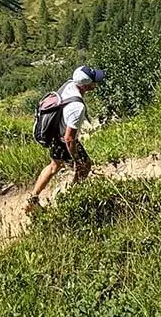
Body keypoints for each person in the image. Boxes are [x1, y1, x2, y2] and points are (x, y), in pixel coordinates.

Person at [26, 65, 105, 213]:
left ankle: (32, 199)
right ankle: (71, 199)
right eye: (94, 81)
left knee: (54, 166)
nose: (96, 83)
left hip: (54, 134)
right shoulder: (77, 107)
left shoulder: (70, 84)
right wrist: (76, 159)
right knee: (85, 166)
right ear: (87, 86)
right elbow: (69, 138)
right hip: (63, 140)